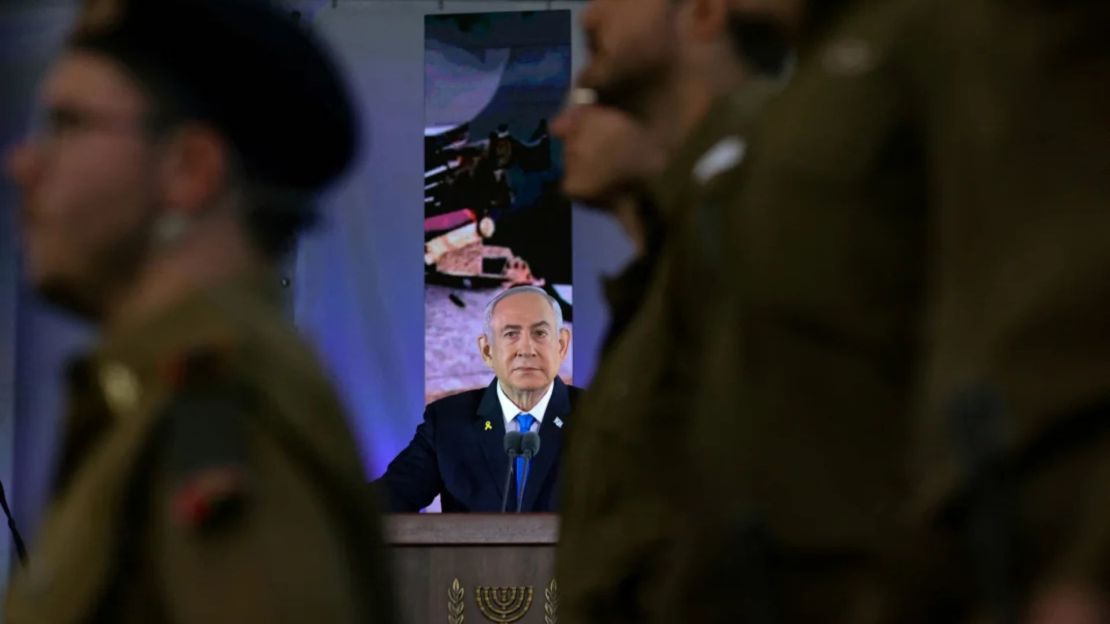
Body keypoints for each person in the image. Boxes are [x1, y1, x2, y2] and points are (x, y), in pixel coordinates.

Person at [703, 0, 1110, 621]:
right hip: (836, 575)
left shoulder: (945, 34)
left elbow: (1064, 299)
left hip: (975, 559)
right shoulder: (816, 85)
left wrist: (1085, 565)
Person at [3, 0, 396, 621]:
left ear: (189, 171)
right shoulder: (151, 396)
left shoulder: (222, 420)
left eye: (68, 124)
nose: (22, 164)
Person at [551, 0, 789, 622]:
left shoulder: (762, 202)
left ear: (706, 13)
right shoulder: (661, 274)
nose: (561, 129)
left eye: (592, 109)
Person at [376, 286, 579, 513]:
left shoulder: (596, 416)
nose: (526, 349)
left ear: (561, 345)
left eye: (540, 333)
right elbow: (389, 498)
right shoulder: (446, 422)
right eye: (511, 334)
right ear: (487, 351)